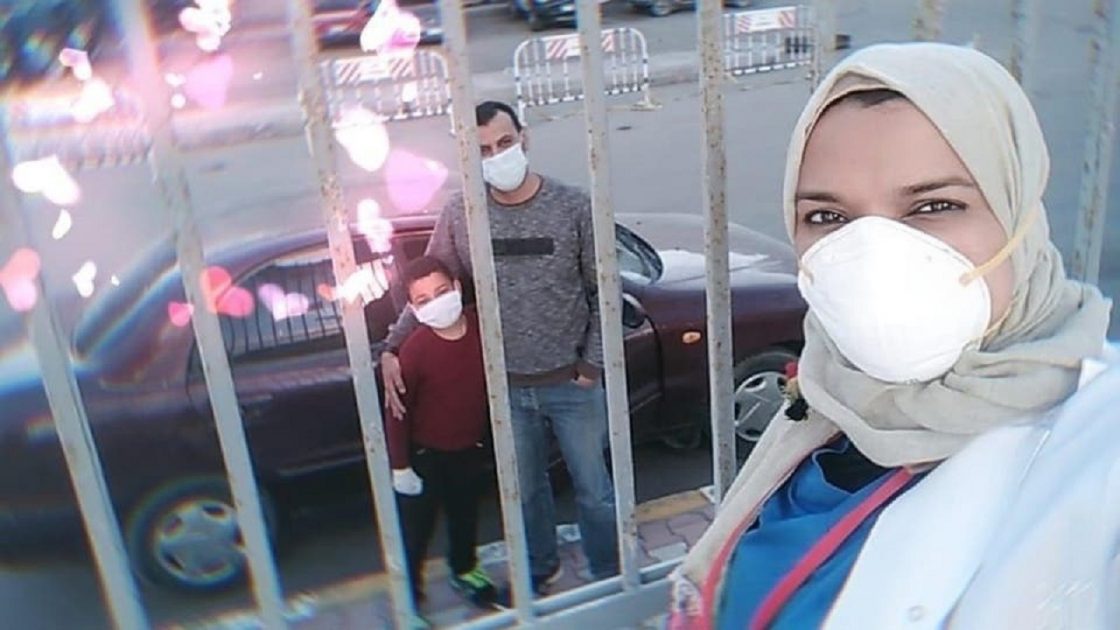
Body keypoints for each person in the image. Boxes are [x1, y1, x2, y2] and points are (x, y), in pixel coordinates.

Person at [668, 42, 1117, 629]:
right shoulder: (826, 398)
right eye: (827, 217)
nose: (875, 256)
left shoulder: (1103, 449)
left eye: (934, 205)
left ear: (1019, 217)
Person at [380, 101, 619, 592]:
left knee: (594, 491)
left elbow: (604, 290)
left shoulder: (573, 206)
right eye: (483, 150)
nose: (496, 156)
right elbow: (430, 286)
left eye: (504, 143)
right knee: (525, 492)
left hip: (571, 384)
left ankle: (610, 576)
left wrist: (591, 365)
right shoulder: (461, 213)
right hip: (504, 389)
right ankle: (540, 571)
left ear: (524, 138)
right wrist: (391, 346)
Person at [389, 256, 497, 609]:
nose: (436, 303)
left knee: (464, 514)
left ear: (457, 288)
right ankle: (410, 594)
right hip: (426, 454)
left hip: (468, 448)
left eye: (442, 291)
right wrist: (400, 465)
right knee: (417, 528)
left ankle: (464, 569)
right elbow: (398, 411)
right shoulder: (415, 350)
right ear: (413, 309)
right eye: (423, 300)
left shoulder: (483, 328)